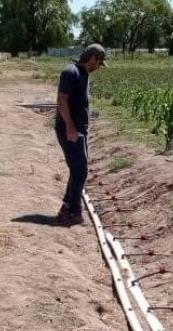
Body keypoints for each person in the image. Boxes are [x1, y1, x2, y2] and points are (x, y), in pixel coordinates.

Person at [55, 44, 108, 226]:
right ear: (93, 58)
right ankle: (73, 211)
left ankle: (67, 207)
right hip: (71, 130)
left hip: (79, 131)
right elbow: (62, 99)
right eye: (99, 64)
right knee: (80, 170)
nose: (98, 68)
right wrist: (70, 126)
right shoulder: (71, 72)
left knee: (78, 169)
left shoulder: (83, 74)